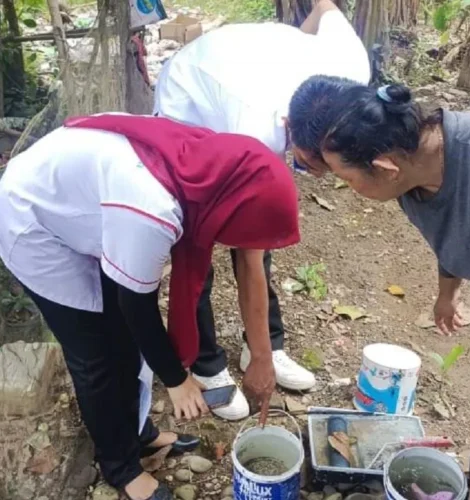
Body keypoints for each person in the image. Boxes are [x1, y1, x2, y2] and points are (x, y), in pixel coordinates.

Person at [287, 75, 470, 498]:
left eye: (347, 178)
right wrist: (447, 294)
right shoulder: (412, 178)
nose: (348, 190)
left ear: (384, 167)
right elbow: (450, 232)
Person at [0, 114, 300, 500]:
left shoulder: (207, 170)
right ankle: (120, 467)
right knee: (95, 354)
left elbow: (133, 313)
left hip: (86, 208)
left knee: (122, 337)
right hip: (34, 225)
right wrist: (177, 380)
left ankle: (137, 434)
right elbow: (137, 307)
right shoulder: (154, 210)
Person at [153, 0, 369, 420]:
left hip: (246, 68)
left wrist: (294, 41)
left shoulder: (351, 68)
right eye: (310, 165)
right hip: (192, 100)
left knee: (259, 235)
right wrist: (262, 368)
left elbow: (324, 7)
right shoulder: (256, 134)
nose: (321, 178)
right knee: (199, 240)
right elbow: (249, 258)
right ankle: (207, 361)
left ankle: (265, 343)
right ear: (290, 128)